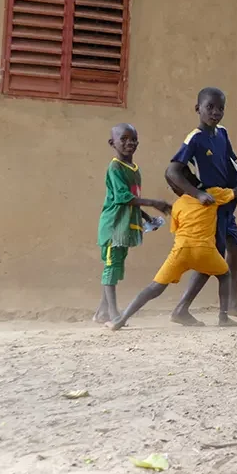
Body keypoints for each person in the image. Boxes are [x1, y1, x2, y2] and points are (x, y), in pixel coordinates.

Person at [165, 87, 237, 327]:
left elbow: (230, 161)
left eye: (220, 108)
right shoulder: (194, 139)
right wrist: (198, 194)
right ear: (197, 108)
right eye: (209, 107)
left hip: (228, 205)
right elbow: (172, 171)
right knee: (212, 259)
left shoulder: (221, 133)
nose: (215, 112)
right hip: (212, 208)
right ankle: (181, 308)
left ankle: (234, 303)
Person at [106, 169, 237, 330]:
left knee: (154, 287)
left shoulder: (178, 205)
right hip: (205, 251)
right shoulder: (213, 194)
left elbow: (176, 229)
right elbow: (236, 192)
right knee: (225, 275)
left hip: (180, 252)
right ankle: (223, 317)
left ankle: (121, 319)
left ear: (178, 188)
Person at [94, 124, 171, 324]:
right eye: (124, 139)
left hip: (125, 226)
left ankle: (102, 312)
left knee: (116, 266)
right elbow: (124, 197)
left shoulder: (133, 169)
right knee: (111, 266)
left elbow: (132, 201)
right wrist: (154, 203)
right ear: (112, 143)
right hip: (113, 227)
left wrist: (147, 219)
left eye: (134, 139)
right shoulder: (115, 167)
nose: (130, 143)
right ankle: (113, 313)